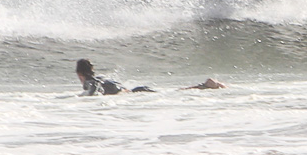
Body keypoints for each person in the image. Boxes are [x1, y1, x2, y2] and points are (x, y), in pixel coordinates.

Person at [76, 59, 224, 95]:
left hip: (133, 94)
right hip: (134, 90)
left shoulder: (89, 82)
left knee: (172, 93)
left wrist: (86, 97)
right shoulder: (100, 77)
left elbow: (94, 88)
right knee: (172, 92)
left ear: (79, 74)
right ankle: (205, 86)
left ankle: (206, 86)